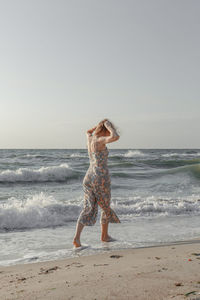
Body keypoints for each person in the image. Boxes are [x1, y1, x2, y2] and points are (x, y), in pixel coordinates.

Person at [73, 119, 121, 248]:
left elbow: (87, 131)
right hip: (101, 178)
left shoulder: (90, 138)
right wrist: (110, 127)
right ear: (104, 130)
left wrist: (97, 126)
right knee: (105, 207)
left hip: (88, 177)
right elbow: (115, 136)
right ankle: (104, 236)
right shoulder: (100, 140)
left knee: (88, 207)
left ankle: (77, 238)